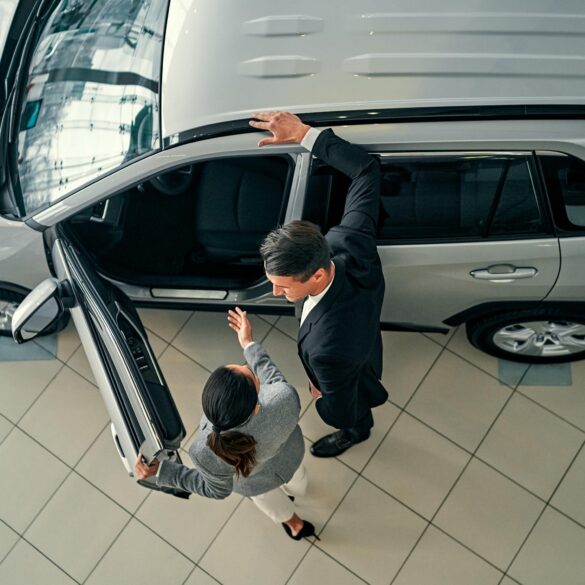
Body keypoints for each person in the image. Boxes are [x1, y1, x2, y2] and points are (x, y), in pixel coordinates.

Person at [250, 111, 388, 458]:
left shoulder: (328, 350)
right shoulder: (350, 242)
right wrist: (305, 134)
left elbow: (338, 406)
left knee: (353, 414)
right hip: (364, 335)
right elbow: (366, 170)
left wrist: (321, 399)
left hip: (354, 363)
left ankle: (358, 434)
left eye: (282, 286)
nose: (275, 294)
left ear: (317, 275)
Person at [134, 307, 317, 541]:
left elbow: (213, 489)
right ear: (255, 406)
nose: (248, 367)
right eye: (250, 373)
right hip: (290, 457)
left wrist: (162, 471)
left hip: (254, 482)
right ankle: (296, 495)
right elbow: (272, 375)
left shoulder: (203, 451)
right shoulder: (284, 399)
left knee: (270, 502)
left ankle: (294, 524)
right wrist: (248, 343)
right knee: (298, 483)